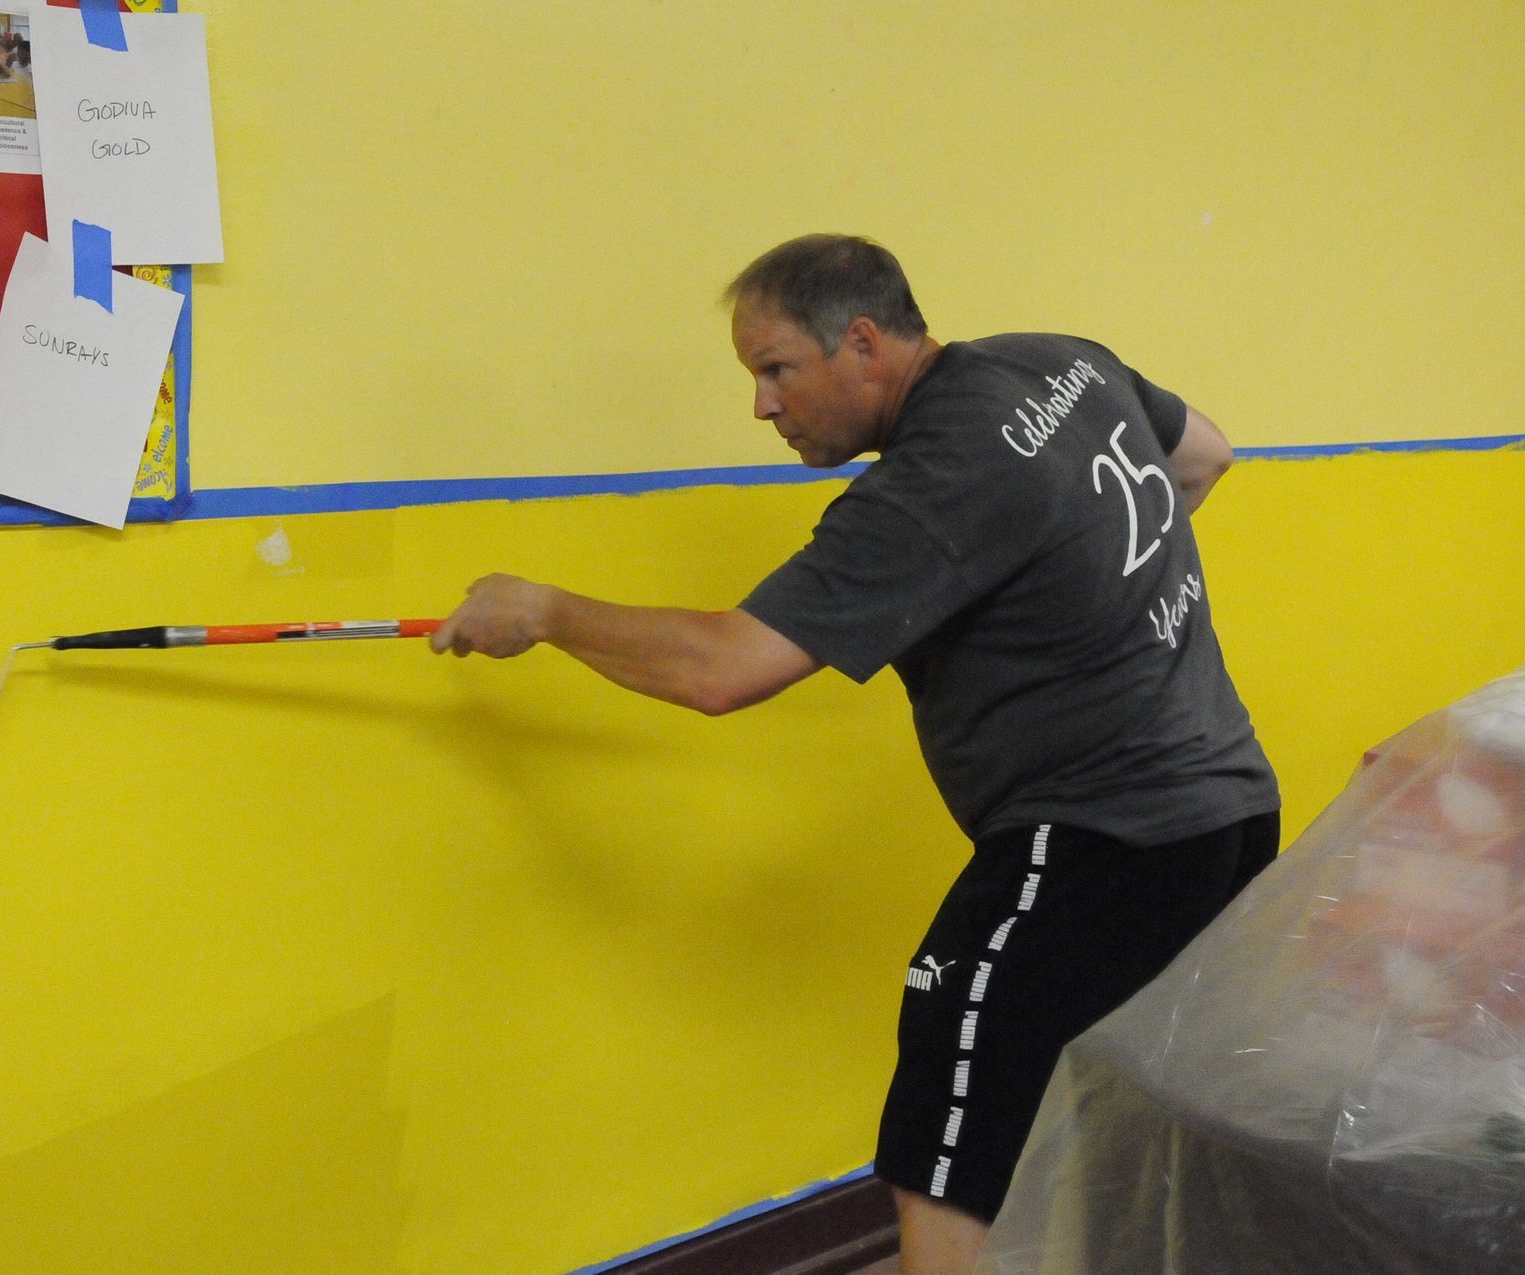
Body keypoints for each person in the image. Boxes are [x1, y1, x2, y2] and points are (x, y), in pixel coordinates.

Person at [429, 234, 1281, 1274]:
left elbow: (721, 670)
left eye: (775, 370)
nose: (762, 406)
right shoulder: (1058, 360)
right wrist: (1084, 601)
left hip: (1104, 843)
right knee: (1141, 1100)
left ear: (864, 343)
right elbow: (1205, 455)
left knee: (946, 1113)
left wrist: (549, 611)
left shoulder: (931, 490)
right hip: (1232, 808)